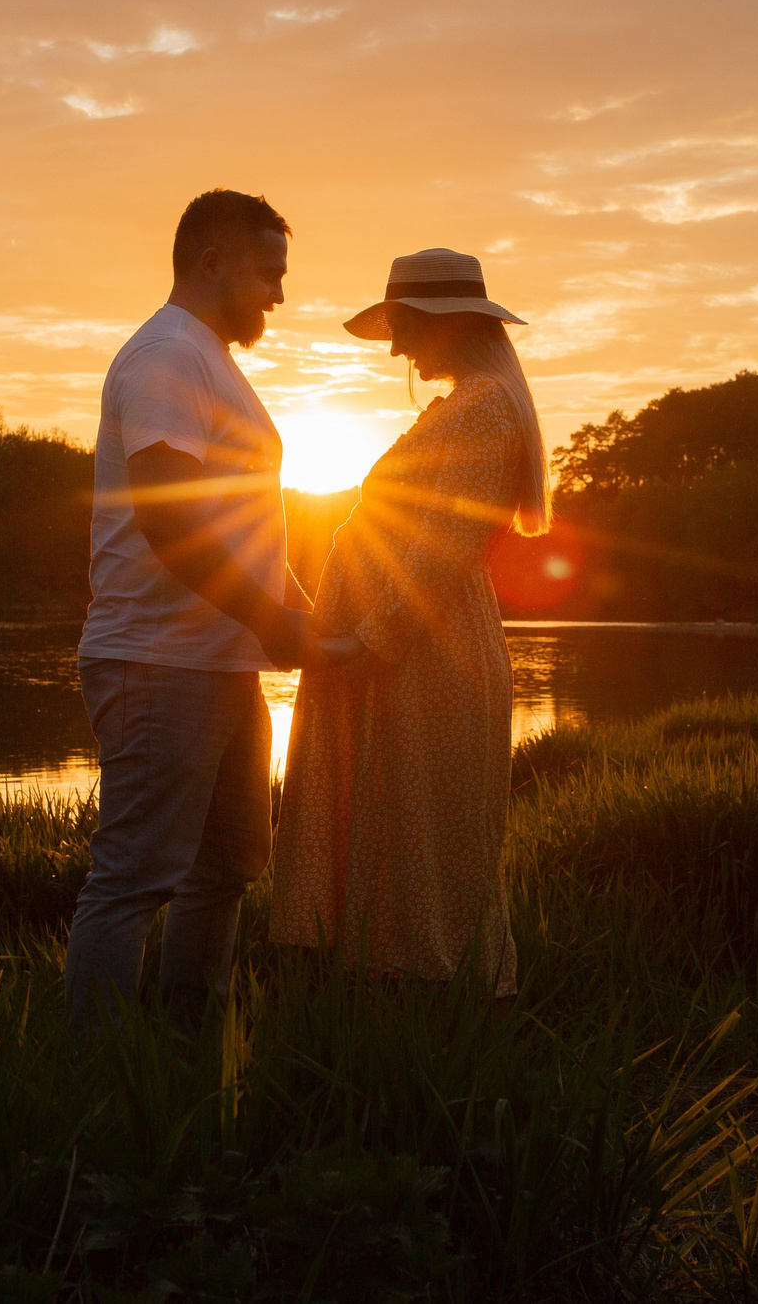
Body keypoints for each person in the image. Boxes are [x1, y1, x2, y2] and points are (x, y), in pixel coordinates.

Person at [65, 189, 361, 1029]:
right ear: (211, 263)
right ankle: (99, 1076)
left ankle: (184, 1046)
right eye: (270, 273)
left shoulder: (211, 363)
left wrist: (302, 614)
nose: (279, 293)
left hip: (223, 663)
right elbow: (168, 512)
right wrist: (273, 620)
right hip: (159, 661)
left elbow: (243, 529)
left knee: (228, 862)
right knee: (132, 876)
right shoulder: (166, 355)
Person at [270, 248, 549, 999]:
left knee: (427, 849)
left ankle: (438, 1021)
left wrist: (368, 640)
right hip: (411, 653)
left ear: (447, 322)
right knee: (400, 840)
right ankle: (401, 1005)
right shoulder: (467, 402)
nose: (395, 346)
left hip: (428, 656)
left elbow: (442, 549)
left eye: (403, 326)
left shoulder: (486, 407)